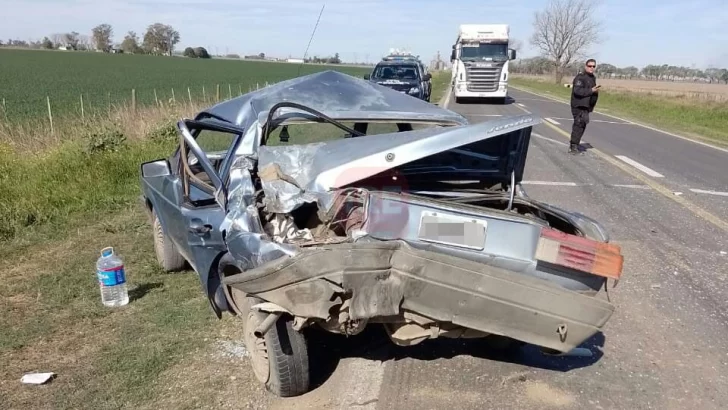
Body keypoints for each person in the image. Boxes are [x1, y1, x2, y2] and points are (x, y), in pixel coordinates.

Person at [568, 59, 600, 154]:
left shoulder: (592, 78)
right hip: (578, 105)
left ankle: (575, 144)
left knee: (582, 126)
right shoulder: (580, 77)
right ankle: (573, 146)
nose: (592, 68)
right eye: (590, 66)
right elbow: (577, 91)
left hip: (586, 107)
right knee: (578, 125)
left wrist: (592, 104)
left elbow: (592, 92)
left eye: (594, 66)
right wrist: (591, 90)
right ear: (586, 66)